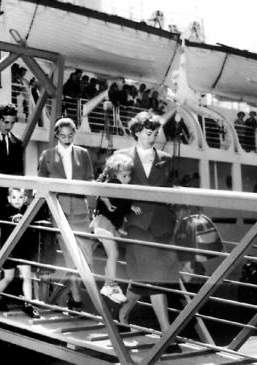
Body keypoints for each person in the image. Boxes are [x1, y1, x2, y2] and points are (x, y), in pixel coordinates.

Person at [115, 115, 182, 341]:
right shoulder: (121, 156)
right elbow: (109, 186)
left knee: (148, 277)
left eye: (155, 133)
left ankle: (123, 312)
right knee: (155, 278)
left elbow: (171, 188)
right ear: (136, 132)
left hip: (163, 225)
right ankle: (167, 334)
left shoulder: (166, 158)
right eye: (147, 133)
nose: (152, 137)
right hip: (138, 225)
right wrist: (125, 210)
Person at [38, 118, 94, 311]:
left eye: (70, 135)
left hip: (80, 210)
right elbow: (41, 183)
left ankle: (74, 291)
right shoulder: (47, 155)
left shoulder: (83, 154)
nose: (67, 139)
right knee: (71, 257)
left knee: (85, 258)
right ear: (56, 135)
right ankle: (76, 296)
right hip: (59, 211)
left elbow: (90, 179)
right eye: (63, 136)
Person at [91, 153, 141, 303]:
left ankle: (109, 285)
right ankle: (110, 285)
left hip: (105, 224)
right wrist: (128, 206)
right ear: (115, 174)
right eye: (124, 176)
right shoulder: (113, 183)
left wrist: (130, 207)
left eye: (129, 176)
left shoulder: (116, 186)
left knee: (112, 254)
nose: (127, 179)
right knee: (113, 254)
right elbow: (103, 196)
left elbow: (118, 208)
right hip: (103, 224)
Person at [0, 188, 41, 318]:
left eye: (20, 197)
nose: (17, 200)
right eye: (14, 197)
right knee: (8, 277)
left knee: (27, 276)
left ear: (25, 199)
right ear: (9, 199)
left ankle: (28, 304)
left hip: (23, 249)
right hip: (9, 249)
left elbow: (37, 218)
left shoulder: (28, 210)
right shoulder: (5, 210)